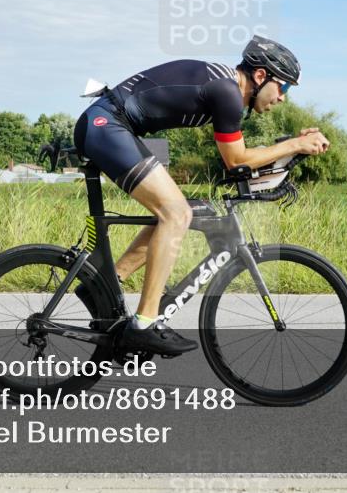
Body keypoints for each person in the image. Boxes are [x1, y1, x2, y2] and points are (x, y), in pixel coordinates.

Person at [73, 36, 330, 355]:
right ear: (261, 76)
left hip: (113, 125)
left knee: (180, 210)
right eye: (284, 88)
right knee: (176, 213)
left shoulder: (227, 89)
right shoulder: (227, 93)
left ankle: (105, 284)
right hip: (106, 126)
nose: (282, 99)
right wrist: (293, 145)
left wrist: (293, 143)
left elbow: (242, 155)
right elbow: (236, 160)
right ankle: (144, 324)